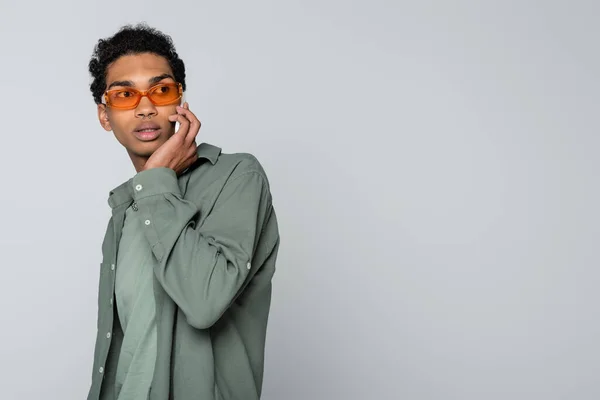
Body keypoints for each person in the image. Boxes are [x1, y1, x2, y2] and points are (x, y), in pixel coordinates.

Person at [85, 23, 280, 400]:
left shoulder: (237, 176)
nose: (145, 107)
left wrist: (158, 181)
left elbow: (205, 302)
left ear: (180, 101)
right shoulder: (125, 210)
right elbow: (123, 347)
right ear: (105, 116)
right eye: (125, 95)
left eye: (161, 90)